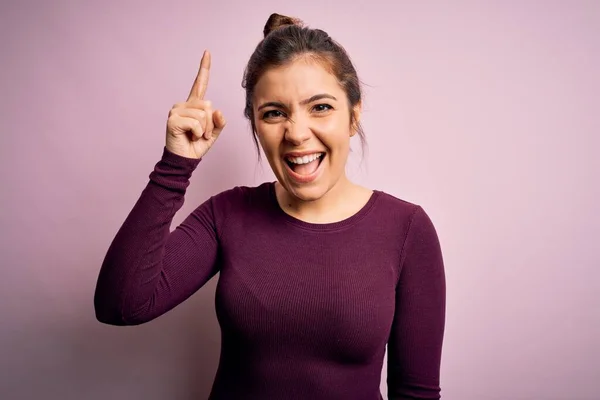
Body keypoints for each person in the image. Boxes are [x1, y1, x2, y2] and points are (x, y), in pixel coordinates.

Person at [94, 13, 446, 400]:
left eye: (321, 107)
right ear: (256, 126)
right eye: (274, 113)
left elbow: (416, 393)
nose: (296, 133)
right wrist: (175, 165)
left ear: (353, 116)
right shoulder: (226, 214)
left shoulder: (407, 229)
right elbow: (121, 305)